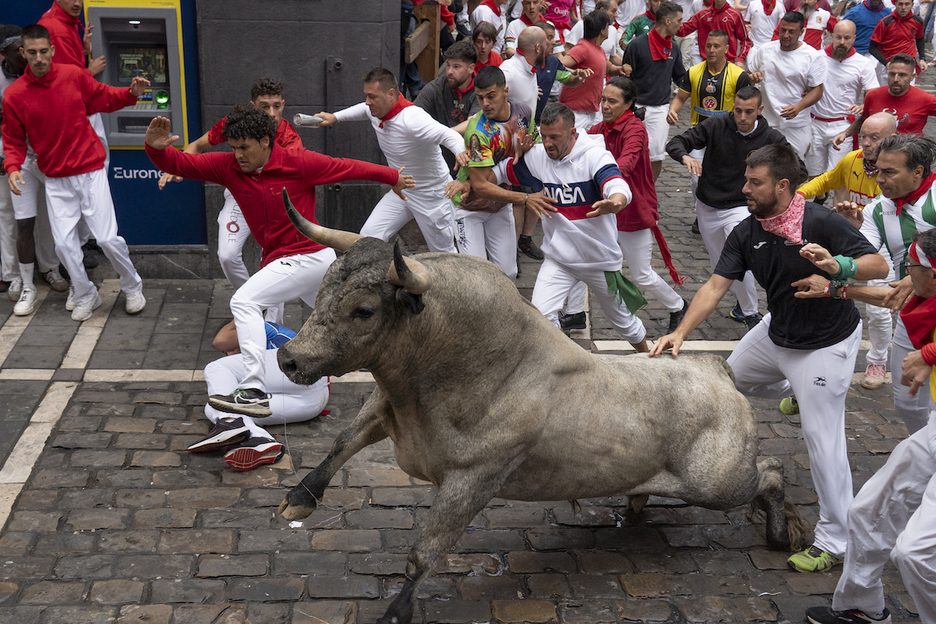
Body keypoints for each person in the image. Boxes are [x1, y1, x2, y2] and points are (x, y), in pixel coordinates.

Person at [651, 142, 889, 574]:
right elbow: (714, 287)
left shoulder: (821, 221)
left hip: (826, 346)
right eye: (745, 179)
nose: (744, 188)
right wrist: (679, 333)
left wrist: (838, 266)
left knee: (823, 443)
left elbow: (878, 266)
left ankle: (836, 540)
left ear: (782, 185)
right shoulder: (748, 230)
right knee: (725, 381)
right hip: (777, 331)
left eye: (753, 182)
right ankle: (793, 389)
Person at [144, 106, 414, 416]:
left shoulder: (298, 162)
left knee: (244, 303)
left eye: (244, 147)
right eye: (233, 148)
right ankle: (399, 361)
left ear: (264, 142)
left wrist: (392, 176)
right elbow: (181, 162)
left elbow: (346, 166)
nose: (238, 155)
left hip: (307, 257)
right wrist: (155, 148)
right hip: (290, 262)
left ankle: (254, 388)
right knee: (343, 320)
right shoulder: (228, 167)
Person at [802, 232, 936, 624]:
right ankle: (861, 607)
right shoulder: (924, 290)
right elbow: (891, 295)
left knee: (916, 553)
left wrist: (928, 353)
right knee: (868, 510)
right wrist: (835, 288)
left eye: (912, 267)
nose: (905, 274)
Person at [2, 24, 148, 322]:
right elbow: (14, 138)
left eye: (44, 51)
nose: (39, 58)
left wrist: (131, 94)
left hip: (89, 170)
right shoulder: (15, 95)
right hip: (55, 177)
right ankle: (85, 294)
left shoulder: (73, 74)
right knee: (64, 245)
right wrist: (13, 167)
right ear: (23, 53)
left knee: (106, 238)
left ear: (52, 50)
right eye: (33, 53)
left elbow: (104, 98)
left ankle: (132, 284)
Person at [505, 102, 651, 351]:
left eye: (555, 137)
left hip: (599, 261)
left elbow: (615, 182)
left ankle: (649, 358)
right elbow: (500, 172)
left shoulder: (594, 155)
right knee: (540, 315)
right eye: (544, 136)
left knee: (624, 323)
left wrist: (616, 200)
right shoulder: (539, 155)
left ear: (572, 133)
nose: (548, 143)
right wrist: (468, 181)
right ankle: (567, 361)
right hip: (559, 259)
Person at [158, 77, 300, 324]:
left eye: (277, 106)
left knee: (275, 262)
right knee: (226, 254)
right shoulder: (232, 125)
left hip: (273, 203)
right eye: (264, 106)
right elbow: (197, 145)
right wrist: (178, 165)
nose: (272, 113)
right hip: (240, 197)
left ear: (283, 105)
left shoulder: (290, 138)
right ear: (252, 105)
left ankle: (272, 328)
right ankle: (252, 301)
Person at [833, 134, 936, 435]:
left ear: (918, 172)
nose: (879, 179)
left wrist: (914, 275)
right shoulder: (878, 209)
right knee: (907, 401)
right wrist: (851, 234)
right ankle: (926, 452)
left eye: (889, 172)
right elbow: (867, 266)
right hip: (912, 313)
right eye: (877, 169)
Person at [666, 86, 788, 328]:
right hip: (707, 204)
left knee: (736, 256)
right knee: (720, 265)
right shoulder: (716, 125)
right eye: (738, 111)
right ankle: (742, 307)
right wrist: (686, 157)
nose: (742, 118)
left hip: (741, 207)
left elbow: (796, 168)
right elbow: (677, 142)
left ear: (760, 111)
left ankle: (752, 314)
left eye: (749, 112)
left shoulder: (771, 138)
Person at [798, 112, 898, 391]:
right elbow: (826, 181)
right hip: (851, 241)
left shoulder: (896, 170)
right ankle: (818, 348)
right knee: (825, 287)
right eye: (863, 135)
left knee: (879, 310)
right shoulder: (851, 160)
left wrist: (861, 214)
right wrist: (795, 198)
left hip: (884, 246)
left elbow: (891, 209)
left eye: (874, 138)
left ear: (891, 139)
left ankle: (877, 359)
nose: (865, 143)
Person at [316, 68, 465, 254]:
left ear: (391, 94)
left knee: (444, 255)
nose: (368, 102)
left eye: (372, 97)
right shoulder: (375, 109)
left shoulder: (413, 118)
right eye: (366, 96)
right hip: (401, 191)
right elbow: (362, 109)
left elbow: (448, 135)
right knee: (369, 237)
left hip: (432, 196)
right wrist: (335, 117)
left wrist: (460, 151)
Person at [589, 77, 688, 332]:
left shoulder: (635, 129)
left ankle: (678, 305)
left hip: (633, 212)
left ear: (629, 103)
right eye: (603, 99)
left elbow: (627, 161)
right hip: (606, 211)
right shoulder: (599, 129)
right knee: (584, 261)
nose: (605, 105)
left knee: (642, 274)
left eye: (612, 101)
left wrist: (605, 177)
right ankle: (577, 312)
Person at [449, 65, 553, 280]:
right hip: (469, 209)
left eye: (491, 96)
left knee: (509, 273)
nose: (485, 103)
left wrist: (527, 149)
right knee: (476, 277)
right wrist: (525, 198)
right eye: (480, 98)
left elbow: (536, 148)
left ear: (505, 91)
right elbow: (481, 186)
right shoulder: (478, 132)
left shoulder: (523, 113)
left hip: (500, 206)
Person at [190, 320, 330, 471]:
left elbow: (220, 340)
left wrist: (240, 311)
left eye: (231, 350)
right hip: (311, 402)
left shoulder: (260, 327)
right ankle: (261, 440)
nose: (229, 355)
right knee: (213, 407)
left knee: (217, 366)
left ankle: (229, 422)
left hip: (302, 370)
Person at [0, 28, 63, 312]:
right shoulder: (7, 84)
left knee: (49, 216)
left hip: (46, 158)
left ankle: (50, 268)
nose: (30, 57)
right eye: (21, 51)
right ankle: (18, 279)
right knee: (14, 218)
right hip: (13, 159)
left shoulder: (42, 77)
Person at [805, 21, 878, 187]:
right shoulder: (817, 57)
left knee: (839, 176)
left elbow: (873, 93)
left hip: (843, 126)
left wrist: (863, 107)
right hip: (814, 123)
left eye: (847, 38)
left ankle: (836, 210)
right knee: (813, 174)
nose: (842, 42)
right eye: (838, 37)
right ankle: (820, 202)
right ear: (832, 36)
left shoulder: (863, 63)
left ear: (854, 38)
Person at [747, 11, 826, 159]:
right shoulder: (766, 50)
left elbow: (818, 90)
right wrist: (753, 78)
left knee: (793, 165)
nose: (786, 35)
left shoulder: (812, 56)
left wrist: (799, 107)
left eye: (791, 31)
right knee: (763, 164)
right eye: (783, 30)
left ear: (801, 32)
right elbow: (748, 75)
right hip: (767, 121)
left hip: (796, 124)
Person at [623, 1, 687, 180]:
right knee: (631, 153)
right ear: (667, 21)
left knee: (656, 155)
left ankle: (648, 192)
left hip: (660, 109)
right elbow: (625, 80)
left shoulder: (674, 47)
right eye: (679, 20)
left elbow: (680, 77)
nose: (681, 25)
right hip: (634, 109)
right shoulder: (636, 46)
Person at [833, 54, 936, 145]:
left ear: (912, 77)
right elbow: (864, 120)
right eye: (892, 74)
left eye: (902, 75)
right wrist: (845, 133)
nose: (896, 79)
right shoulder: (873, 95)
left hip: (910, 159)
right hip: (878, 158)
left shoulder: (926, 99)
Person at [559, 10, 615, 131]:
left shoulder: (599, 50)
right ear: (602, 30)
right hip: (575, 112)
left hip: (592, 112)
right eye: (608, 26)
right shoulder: (583, 47)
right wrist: (575, 72)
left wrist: (621, 69)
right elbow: (560, 65)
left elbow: (609, 69)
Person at [677, 0, 751, 66]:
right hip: (707, 64)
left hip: (728, 64)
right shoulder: (702, 15)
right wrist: (670, 23)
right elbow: (682, 30)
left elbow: (745, 40)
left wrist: (740, 60)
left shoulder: (735, 15)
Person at [868, 0, 927, 76]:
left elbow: (920, 39)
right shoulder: (884, 22)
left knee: (908, 88)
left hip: (908, 64)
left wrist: (922, 58)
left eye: (907, 4)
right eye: (900, 4)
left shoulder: (918, 21)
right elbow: (872, 48)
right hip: (888, 65)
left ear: (912, 5)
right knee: (886, 88)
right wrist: (886, 63)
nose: (903, 7)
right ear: (895, 4)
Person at [842, 0, 892, 83]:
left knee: (874, 85)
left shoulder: (888, 13)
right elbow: (842, 29)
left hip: (877, 54)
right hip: (856, 52)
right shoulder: (855, 11)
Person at [768, 0, 836, 50]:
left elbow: (839, 30)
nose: (806, 2)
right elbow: (777, 34)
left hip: (814, 58)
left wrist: (830, 49)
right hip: (792, 56)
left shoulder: (824, 15)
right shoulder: (792, 15)